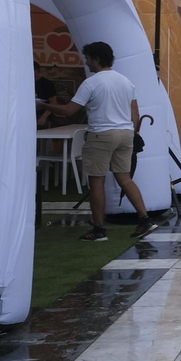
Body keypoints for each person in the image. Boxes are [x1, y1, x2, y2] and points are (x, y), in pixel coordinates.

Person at [40, 42, 159, 242]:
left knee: (96, 181)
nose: (86, 63)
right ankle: (145, 220)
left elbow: (69, 110)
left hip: (101, 135)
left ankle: (99, 230)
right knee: (125, 178)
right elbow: (135, 114)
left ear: (96, 58)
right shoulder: (126, 82)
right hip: (125, 133)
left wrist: (44, 105)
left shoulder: (91, 82)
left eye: (87, 58)